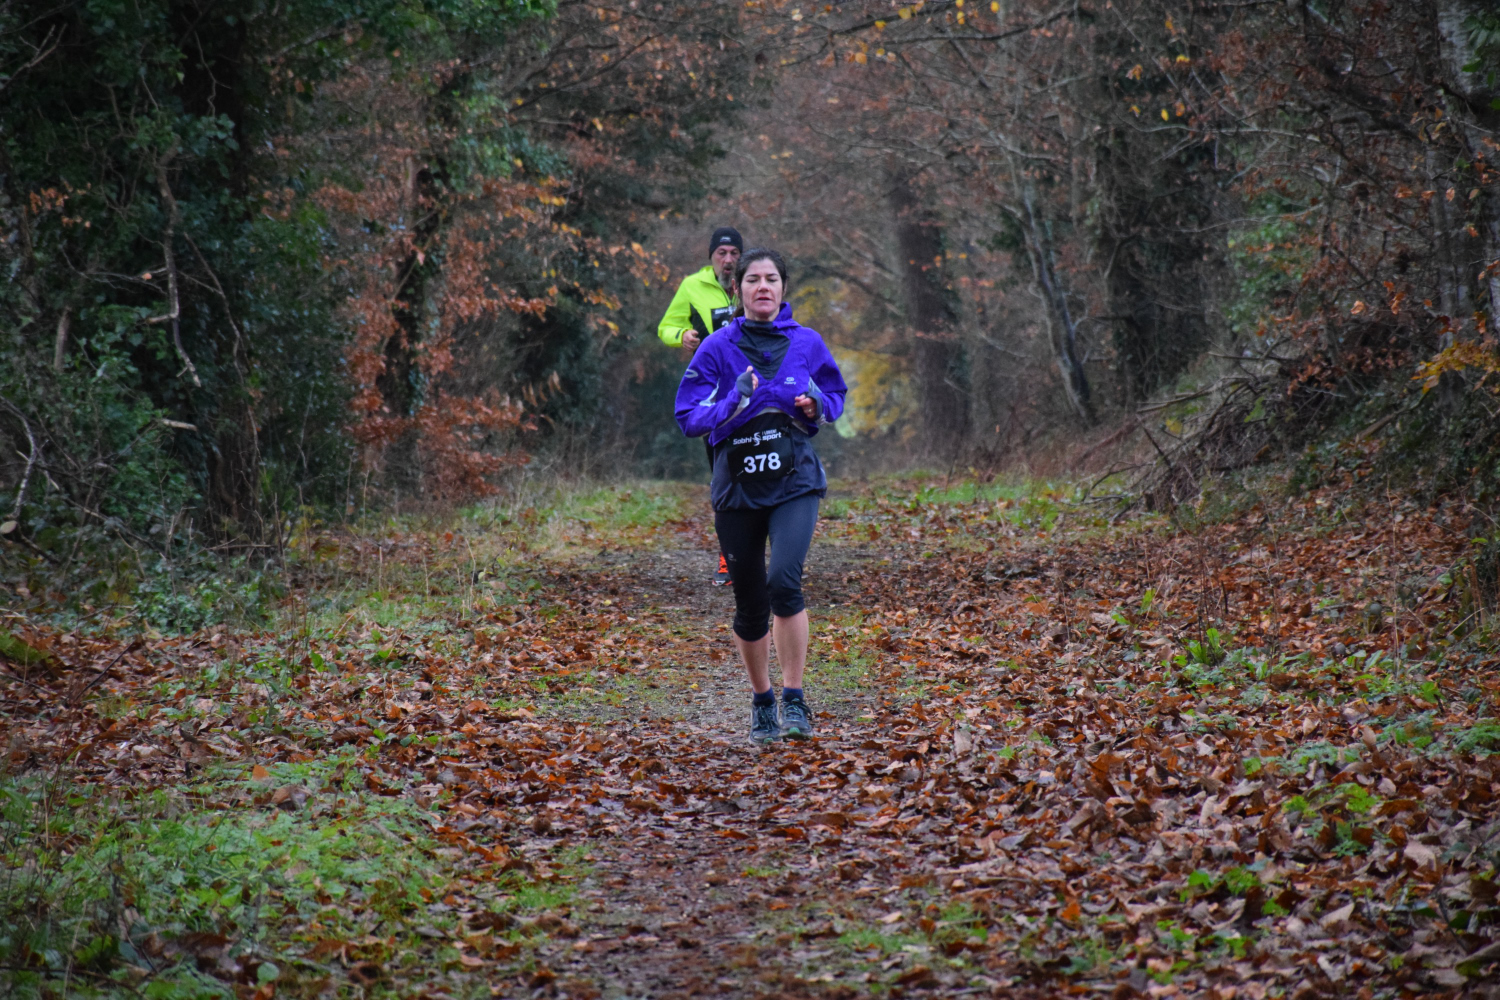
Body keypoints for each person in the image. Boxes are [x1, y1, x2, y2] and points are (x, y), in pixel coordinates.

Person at [674, 248, 848, 744]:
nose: (763, 287)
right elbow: (687, 416)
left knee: (784, 581)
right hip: (736, 487)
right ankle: (763, 702)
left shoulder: (807, 342)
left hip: (796, 481)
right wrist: (734, 400)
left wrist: (817, 405)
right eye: (753, 279)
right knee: (750, 604)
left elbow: (835, 395)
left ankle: (794, 699)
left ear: (783, 287)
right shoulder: (717, 348)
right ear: (738, 289)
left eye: (772, 278)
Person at [658, 226, 743, 585]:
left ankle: (757, 552)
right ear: (711, 257)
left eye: (734, 253)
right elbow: (666, 327)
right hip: (712, 397)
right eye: (722, 253)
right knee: (722, 476)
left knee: (754, 474)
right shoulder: (693, 286)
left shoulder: (751, 282)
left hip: (753, 391)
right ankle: (729, 557)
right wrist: (683, 335)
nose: (728, 259)